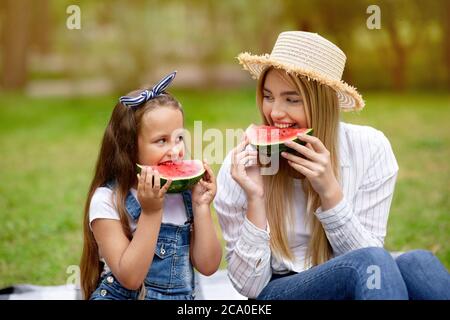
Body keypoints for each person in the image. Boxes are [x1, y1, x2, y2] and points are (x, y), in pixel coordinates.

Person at [214, 31, 450, 300]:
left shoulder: (371, 149)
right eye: (269, 96)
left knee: (418, 262)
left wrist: (330, 193)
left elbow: (369, 265)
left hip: (352, 277)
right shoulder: (243, 166)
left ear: (323, 103)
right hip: (277, 290)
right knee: (371, 261)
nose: (275, 112)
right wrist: (256, 197)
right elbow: (250, 288)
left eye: (292, 99)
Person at [80, 71, 222, 300]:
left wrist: (201, 206)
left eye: (179, 138)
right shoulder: (107, 199)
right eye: (161, 141)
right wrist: (151, 212)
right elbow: (130, 278)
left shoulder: (184, 195)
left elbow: (208, 266)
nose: (175, 150)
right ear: (128, 147)